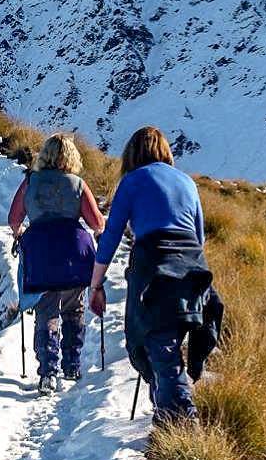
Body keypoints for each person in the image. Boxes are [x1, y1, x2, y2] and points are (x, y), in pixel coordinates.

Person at [90, 127, 222, 425]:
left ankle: (181, 425)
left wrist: (95, 284)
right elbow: (199, 237)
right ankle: (167, 418)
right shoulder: (187, 182)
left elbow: (111, 237)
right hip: (192, 268)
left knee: (157, 344)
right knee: (169, 346)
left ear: (132, 154)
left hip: (154, 266)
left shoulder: (132, 181)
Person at [9, 134, 105, 392]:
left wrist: (19, 234)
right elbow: (96, 222)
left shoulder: (30, 181)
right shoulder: (77, 184)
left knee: (46, 311)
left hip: (41, 253)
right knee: (74, 309)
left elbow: (14, 218)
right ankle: (72, 364)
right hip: (74, 252)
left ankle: (47, 373)